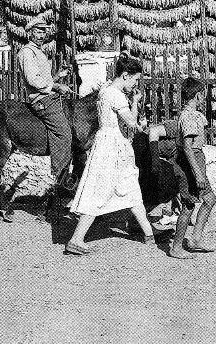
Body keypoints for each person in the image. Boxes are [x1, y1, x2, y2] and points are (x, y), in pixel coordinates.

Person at [65, 54, 154, 256]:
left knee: (130, 186)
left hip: (110, 143)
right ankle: (76, 239)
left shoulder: (106, 89)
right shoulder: (115, 94)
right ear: (125, 75)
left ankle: (149, 234)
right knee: (99, 191)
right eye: (134, 79)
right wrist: (136, 102)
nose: (135, 83)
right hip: (111, 146)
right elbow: (132, 122)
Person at [17, 19, 74, 184]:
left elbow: (43, 79)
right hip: (41, 101)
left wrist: (58, 76)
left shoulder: (38, 52)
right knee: (64, 133)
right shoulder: (27, 53)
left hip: (49, 96)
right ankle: (60, 177)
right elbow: (33, 80)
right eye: (38, 31)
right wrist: (57, 86)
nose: (42, 35)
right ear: (30, 33)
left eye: (44, 32)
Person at [173, 78, 216, 257]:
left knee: (209, 199)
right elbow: (187, 147)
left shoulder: (193, 114)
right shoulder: (189, 116)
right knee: (188, 205)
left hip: (197, 161)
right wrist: (197, 173)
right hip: (191, 164)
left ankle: (196, 239)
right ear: (198, 95)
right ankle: (176, 247)